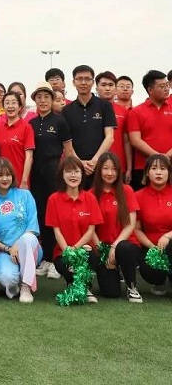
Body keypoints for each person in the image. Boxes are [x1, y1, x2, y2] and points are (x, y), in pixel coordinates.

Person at [29, 82, 74, 280]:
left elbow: (69, 151)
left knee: (56, 214)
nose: (43, 100)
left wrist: (70, 174)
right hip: (36, 172)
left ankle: (57, 259)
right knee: (41, 214)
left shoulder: (60, 121)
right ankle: (46, 258)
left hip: (54, 171)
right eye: (39, 97)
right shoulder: (31, 123)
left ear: (52, 99)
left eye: (46, 97)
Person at [45, 156, 103, 303]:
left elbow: (91, 230)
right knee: (63, 263)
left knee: (89, 256)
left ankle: (85, 287)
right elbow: (56, 231)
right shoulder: (53, 199)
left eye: (76, 171)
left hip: (85, 249)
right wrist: (68, 252)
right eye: (68, 171)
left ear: (82, 174)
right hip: (62, 251)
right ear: (62, 175)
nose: (73, 175)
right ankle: (73, 283)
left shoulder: (90, 198)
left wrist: (75, 250)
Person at [0, 157, 41, 303]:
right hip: (5, 251)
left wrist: (17, 245)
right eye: (0, 175)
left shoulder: (25, 195)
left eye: (8, 174)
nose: (4, 179)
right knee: (7, 279)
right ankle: (16, 281)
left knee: (28, 239)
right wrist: (8, 249)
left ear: (12, 176)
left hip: (28, 247)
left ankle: (26, 286)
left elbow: (32, 226)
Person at [90, 153, 143, 302]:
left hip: (125, 244)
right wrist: (104, 252)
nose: (110, 173)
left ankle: (132, 286)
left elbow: (130, 224)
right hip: (103, 247)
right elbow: (90, 228)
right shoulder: (91, 195)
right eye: (105, 168)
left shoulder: (127, 190)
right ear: (99, 170)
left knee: (124, 248)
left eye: (114, 169)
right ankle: (114, 274)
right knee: (111, 292)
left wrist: (115, 246)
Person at [62, 65, 116, 189]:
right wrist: (79, 163)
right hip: (76, 168)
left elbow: (110, 137)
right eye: (79, 79)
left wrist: (95, 161)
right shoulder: (66, 111)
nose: (83, 82)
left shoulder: (105, 106)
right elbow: (66, 143)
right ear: (73, 82)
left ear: (93, 82)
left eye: (87, 79)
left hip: (100, 165)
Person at [134, 154, 172, 296]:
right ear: (147, 173)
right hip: (150, 247)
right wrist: (152, 247)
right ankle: (159, 282)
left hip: (171, 243)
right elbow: (136, 229)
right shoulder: (138, 196)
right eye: (154, 168)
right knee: (153, 274)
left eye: (163, 168)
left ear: (169, 172)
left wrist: (168, 236)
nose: (158, 172)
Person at [128, 70, 172, 191]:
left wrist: (167, 156)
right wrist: (157, 156)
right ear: (150, 90)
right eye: (162, 86)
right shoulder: (136, 112)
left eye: (167, 85)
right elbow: (135, 140)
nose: (166, 89)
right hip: (144, 167)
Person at [0, 92, 35, 189]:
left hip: (19, 181)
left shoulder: (26, 127)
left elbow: (29, 157)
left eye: (14, 102)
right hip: (2, 180)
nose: (10, 106)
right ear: (3, 107)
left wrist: (24, 181)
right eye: (7, 103)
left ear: (20, 107)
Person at [96, 71, 132, 182]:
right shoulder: (89, 110)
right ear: (97, 88)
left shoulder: (124, 112)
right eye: (103, 85)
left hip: (118, 165)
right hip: (94, 164)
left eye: (111, 85)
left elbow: (127, 141)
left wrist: (129, 168)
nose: (107, 88)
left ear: (115, 89)